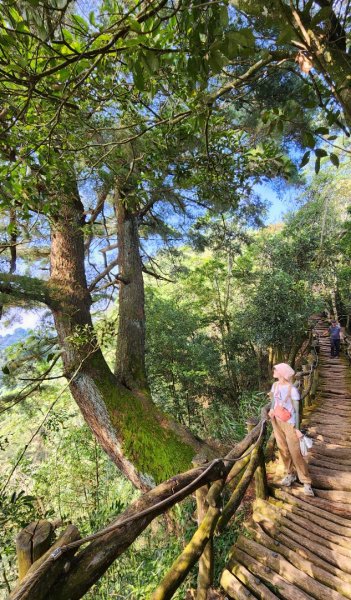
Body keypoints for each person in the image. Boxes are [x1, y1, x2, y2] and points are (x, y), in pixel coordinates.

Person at [268, 362, 314, 496]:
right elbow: (273, 401)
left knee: (296, 452)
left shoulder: (292, 389)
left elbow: (297, 411)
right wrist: (271, 410)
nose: (274, 372)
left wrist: (298, 429)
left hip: (290, 424)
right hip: (276, 421)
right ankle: (290, 474)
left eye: (276, 370)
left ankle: (306, 481)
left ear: (282, 373)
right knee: (283, 449)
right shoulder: (275, 385)